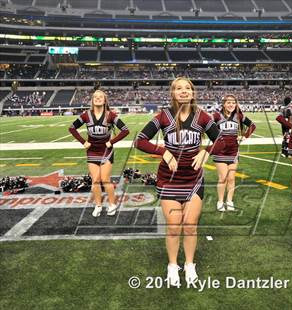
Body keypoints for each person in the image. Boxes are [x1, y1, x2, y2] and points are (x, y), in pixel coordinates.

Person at [135, 77, 224, 287]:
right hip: (168, 179)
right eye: (178, 88)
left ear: (193, 93)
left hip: (193, 179)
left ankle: (190, 264)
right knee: (174, 227)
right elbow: (140, 140)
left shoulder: (202, 117)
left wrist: (206, 151)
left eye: (187, 88)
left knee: (191, 226)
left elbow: (222, 141)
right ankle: (173, 265)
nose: (183, 91)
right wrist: (163, 151)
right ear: (172, 93)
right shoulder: (164, 116)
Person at [69, 89, 129, 217]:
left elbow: (125, 130)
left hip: (106, 151)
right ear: (92, 100)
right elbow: (71, 128)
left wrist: (112, 142)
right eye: (95, 97)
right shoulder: (86, 115)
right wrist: (83, 142)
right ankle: (98, 205)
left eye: (100, 97)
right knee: (95, 181)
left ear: (105, 100)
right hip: (92, 151)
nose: (97, 98)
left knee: (105, 179)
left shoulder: (110, 115)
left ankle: (112, 204)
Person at [212, 94, 256, 212]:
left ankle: (229, 201)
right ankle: (220, 201)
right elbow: (206, 126)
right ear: (224, 104)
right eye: (228, 102)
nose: (231, 105)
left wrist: (244, 136)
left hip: (233, 151)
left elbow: (252, 126)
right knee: (222, 178)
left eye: (233, 102)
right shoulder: (216, 115)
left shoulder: (239, 116)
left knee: (231, 178)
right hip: (220, 151)